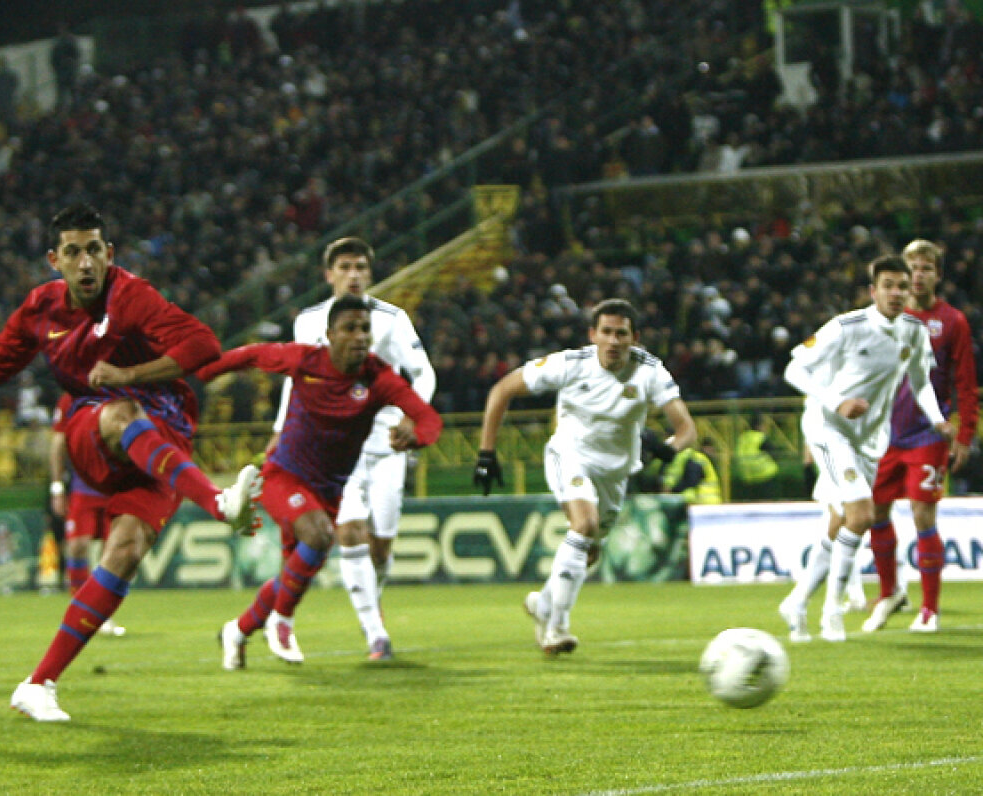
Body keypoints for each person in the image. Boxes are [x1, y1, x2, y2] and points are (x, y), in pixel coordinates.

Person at [0, 204, 261, 721]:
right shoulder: (40, 310)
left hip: (162, 443)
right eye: (73, 252)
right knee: (118, 414)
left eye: (94, 249)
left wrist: (130, 371)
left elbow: (203, 344)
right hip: (95, 429)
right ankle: (219, 501)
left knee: (126, 551)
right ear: (55, 260)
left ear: (109, 253)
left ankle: (39, 683)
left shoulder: (132, 293)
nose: (86, 261)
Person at [204, 294, 442, 670]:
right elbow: (250, 355)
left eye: (365, 329)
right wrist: (200, 372)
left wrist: (417, 434)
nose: (360, 336)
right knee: (319, 537)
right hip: (282, 476)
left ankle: (238, 630)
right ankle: (281, 623)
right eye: (350, 328)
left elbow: (428, 419)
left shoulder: (378, 378)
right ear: (329, 334)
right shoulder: (305, 360)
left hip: (327, 491)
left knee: (291, 573)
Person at [474, 298, 697, 654]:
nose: (613, 341)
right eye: (606, 332)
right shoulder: (569, 364)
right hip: (570, 454)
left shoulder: (651, 370)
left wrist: (668, 448)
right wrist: (486, 453)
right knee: (585, 525)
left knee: (589, 553)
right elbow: (502, 390)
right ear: (592, 335)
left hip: (616, 472)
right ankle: (556, 629)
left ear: (634, 338)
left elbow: (687, 430)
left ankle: (543, 604)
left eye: (621, 333)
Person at [266, 237, 435, 660]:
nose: (353, 274)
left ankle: (371, 612)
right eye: (345, 266)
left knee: (380, 546)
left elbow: (423, 372)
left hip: (387, 444)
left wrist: (412, 416)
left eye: (361, 266)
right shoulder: (308, 322)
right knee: (350, 531)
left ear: (370, 273)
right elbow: (295, 380)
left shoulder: (392, 320)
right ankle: (376, 633)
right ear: (329, 274)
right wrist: (278, 428)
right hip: (336, 448)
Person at [778, 255, 954, 643]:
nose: (895, 293)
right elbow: (794, 368)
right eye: (887, 286)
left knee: (844, 522)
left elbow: (921, 381)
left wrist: (936, 418)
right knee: (860, 514)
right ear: (873, 291)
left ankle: (797, 601)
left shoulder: (913, 330)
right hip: (830, 427)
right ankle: (831, 614)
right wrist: (836, 400)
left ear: (910, 292)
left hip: (871, 439)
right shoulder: (846, 327)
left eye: (901, 287)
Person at [862, 239, 978, 634]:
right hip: (883, 435)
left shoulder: (953, 322)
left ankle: (930, 609)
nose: (918, 274)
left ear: (937, 274)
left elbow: (967, 383)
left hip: (928, 433)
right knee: (876, 513)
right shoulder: (886, 317)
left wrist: (964, 434)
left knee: (921, 514)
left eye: (926, 267)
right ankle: (890, 592)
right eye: (912, 266)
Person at [49, 394, 123, 635]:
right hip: (83, 488)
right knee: (77, 546)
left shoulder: (121, 393)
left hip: (114, 486)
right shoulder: (70, 399)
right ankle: (78, 609)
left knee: (111, 554)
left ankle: (101, 615)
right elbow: (58, 443)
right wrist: (58, 487)